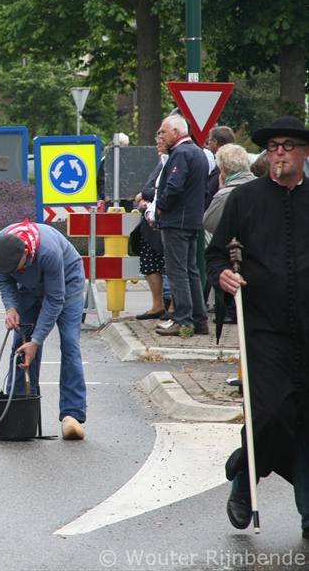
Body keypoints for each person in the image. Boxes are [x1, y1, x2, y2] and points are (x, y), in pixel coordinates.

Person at [205, 116, 309, 538]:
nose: (279, 152)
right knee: (274, 413)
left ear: (304, 153)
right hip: (263, 326)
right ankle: (243, 477)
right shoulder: (245, 198)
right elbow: (215, 254)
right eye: (273, 146)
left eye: (288, 145)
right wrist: (222, 276)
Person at [0, 219, 88, 439]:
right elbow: (5, 281)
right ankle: (16, 410)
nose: (16, 271)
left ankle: (72, 415)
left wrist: (36, 341)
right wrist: (11, 308)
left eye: (18, 267)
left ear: (26, 252)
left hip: (66, 285)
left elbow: (54, 300)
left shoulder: (48, 251)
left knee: (70, 344)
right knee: (20, 345)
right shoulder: (0, 245)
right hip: (28, 289)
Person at [153, 115, 210, 337]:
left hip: (177, 221)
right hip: (193, 220)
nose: (160, 136)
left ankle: (183, 320)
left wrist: (161, 206)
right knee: (191, 270)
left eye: (163, 132)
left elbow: (174, 186)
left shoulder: (180, 153)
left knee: (177, 271)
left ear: (176, 132)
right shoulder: (199, 153)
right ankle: (199, 320)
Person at [133, 135, 171, 320]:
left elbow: (159, 190)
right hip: (150, 223)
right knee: (150, 264)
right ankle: (157, 306)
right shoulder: (161, 163)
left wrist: (143, 196)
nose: (158, 142)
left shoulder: (173, 162)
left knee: (170, 266)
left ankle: (173, 306)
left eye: (162, 139)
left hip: (164, 222)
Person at [202, 144, 253, 235]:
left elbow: (208, 224)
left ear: (223, 167)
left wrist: (223, 190)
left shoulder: (224, 195)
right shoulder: (261, 186)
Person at [205, 125, 236, 200]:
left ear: (215, 143)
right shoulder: (236, 163)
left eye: (209, 140)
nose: (208, 142)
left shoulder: (222, 168)